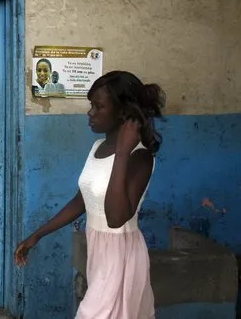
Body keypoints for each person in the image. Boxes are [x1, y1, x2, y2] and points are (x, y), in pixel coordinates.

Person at [15, 70, 165, 319]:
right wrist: (37, 235)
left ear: (122, 112)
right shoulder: (97, 148)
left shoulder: (139, 157)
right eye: (91, 105)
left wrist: (122, 152)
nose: (90, 112)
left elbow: (116, 218)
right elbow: (82, 201)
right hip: (98, 252)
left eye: (98, 106)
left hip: (121, 256)